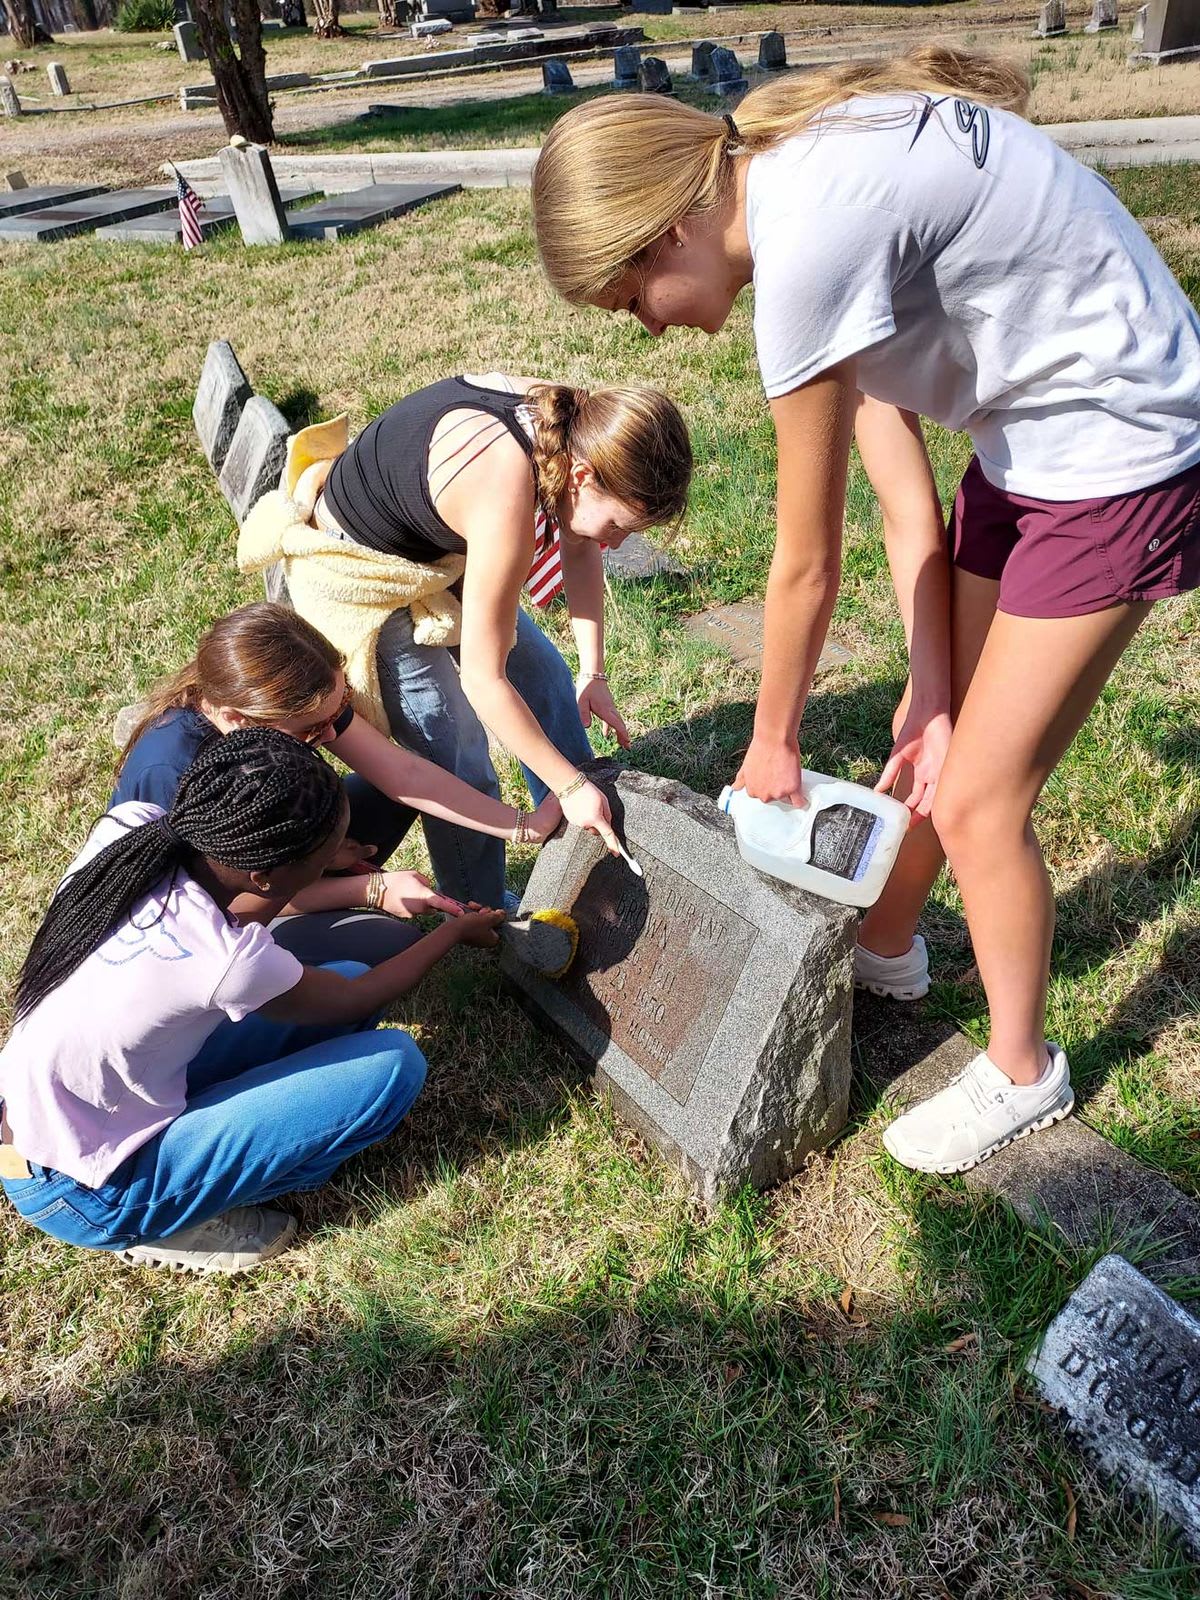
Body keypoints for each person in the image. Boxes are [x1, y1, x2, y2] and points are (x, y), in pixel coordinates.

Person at [530, 49, 1200, 1173]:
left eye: (629, 297)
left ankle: (1024, 1071)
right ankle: (889, 943)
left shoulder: (806, 242)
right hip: (1031, 431)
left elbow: (804, 565)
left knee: (985, 800)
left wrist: (773, 742)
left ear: (669, 233)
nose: (645, 329)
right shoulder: (800, 181)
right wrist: (931, 691)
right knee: (938, 743)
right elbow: (907, 516)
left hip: (1117, 446)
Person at [0, 729, 504, 1275]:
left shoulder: (131, 828)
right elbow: (356, 997)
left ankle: (194, 1138)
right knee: (392, 1067)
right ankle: (165, 1221)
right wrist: (452, 934)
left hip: (49, 1114)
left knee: (347, 972)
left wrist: (349, 877)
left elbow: (252, 927)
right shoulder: (223, 959)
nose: (334, 863)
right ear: (261, 872)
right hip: (84, 1186)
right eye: (319, 862)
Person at [289, 372, 693, 908]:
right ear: (582, 476)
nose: (618, 542)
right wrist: (569, 788)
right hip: (364, 570)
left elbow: (579, 547)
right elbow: (483, 678)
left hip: (433, 541)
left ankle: (585, 836)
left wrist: (592, 673)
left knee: (545, 678)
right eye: (620, 524)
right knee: (455, 748)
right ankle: (480, 910)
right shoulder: (504, 490)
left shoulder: (574, 425)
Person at [114, 603, 561, 965]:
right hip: (209, 919)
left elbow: (404, 774)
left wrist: (524, 825)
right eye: (310, 731)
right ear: (236, 719)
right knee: (390, 941)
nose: (330, 737)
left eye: (341, 706)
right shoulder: (173, 775)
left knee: (392, 795)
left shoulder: (294, 703)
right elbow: (223, 907)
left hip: (274, 860)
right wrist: (370, 889)